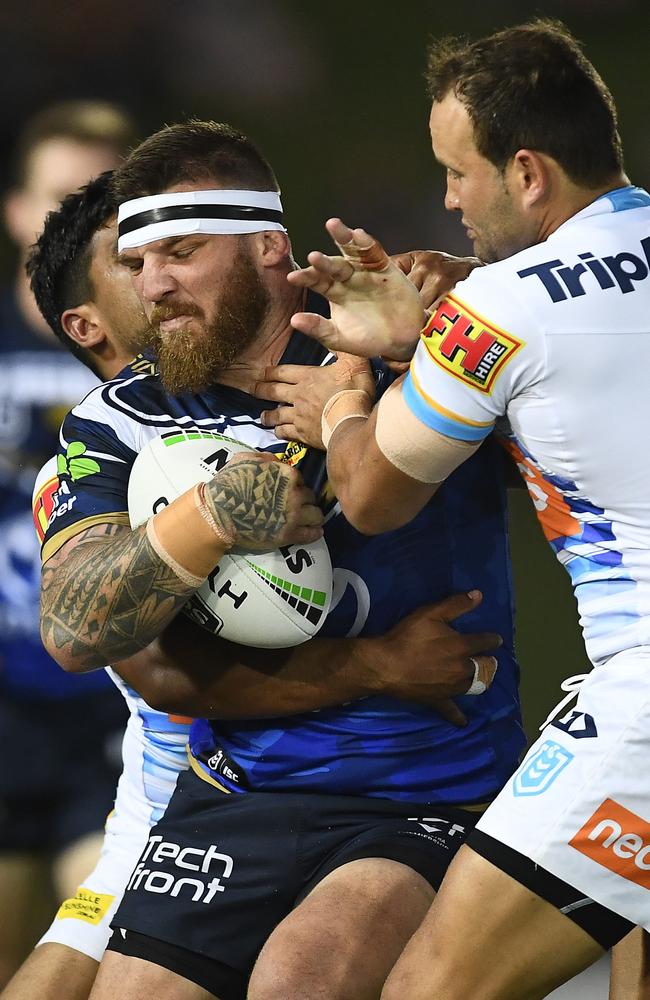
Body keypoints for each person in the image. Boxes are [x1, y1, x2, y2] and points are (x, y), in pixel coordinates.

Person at [33, 121, 523, 1000]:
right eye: (138, 262)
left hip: (425, 786)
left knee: (303, 978)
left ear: (267, 245)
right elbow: (79, 631)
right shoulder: (115, 421)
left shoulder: (399, 344)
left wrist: (444, 319)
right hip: (230, 788)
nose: (154, 286)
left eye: (179, 252)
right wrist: (215, 518)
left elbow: (581, 359)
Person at [279, 19, 650, 999]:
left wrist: (349, 399)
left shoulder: (505, 306)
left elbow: (373, 492)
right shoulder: (503, 300)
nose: (446, 198)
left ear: (525, 172)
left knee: (428, 987)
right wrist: (435, 334)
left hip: (642, 704)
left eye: (457, 172)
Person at [0, 100, 139, 987]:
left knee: (93, 957)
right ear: (17, 209)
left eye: (105, 202)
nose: (77, 225)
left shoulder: (166, 356)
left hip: (119, 709)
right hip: (4, 705)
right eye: (61, 199)